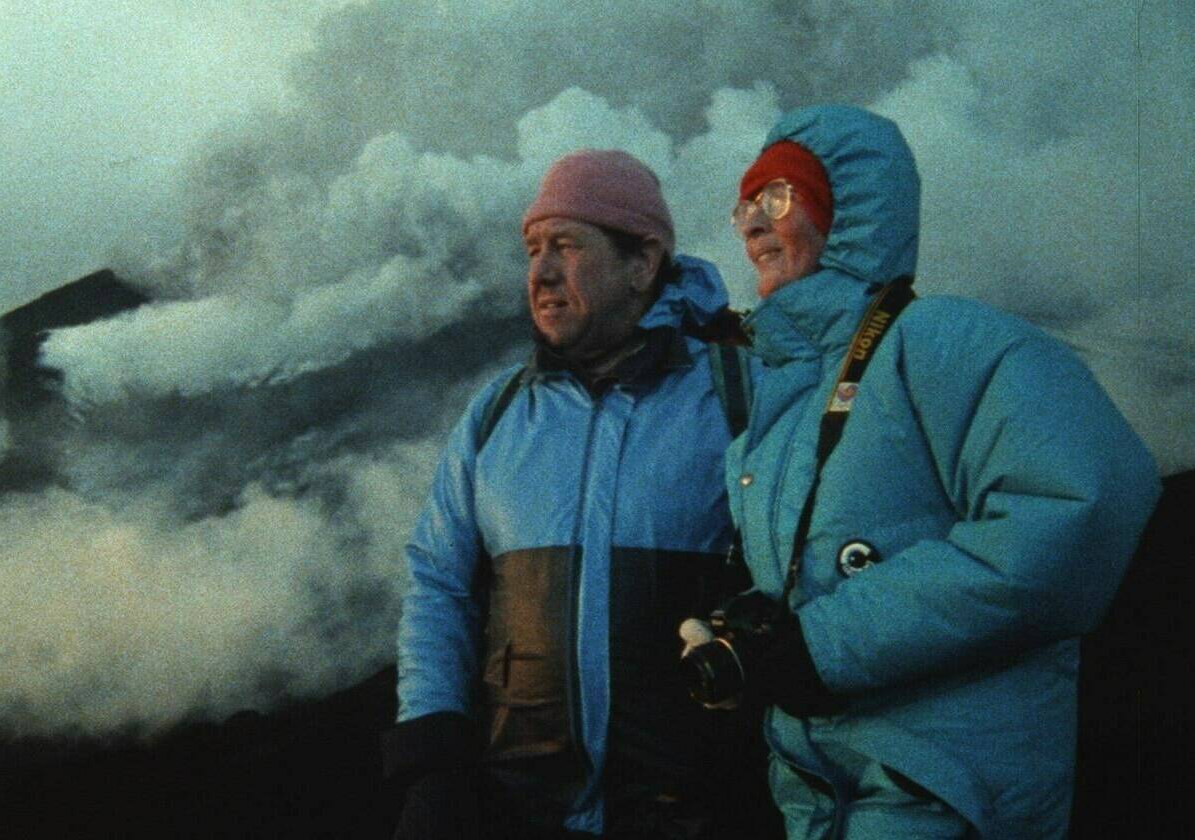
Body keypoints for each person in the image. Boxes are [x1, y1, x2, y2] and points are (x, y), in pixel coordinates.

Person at [679, 105, 1160, 838]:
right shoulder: (777, 417)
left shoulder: (942, 342)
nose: (749, 224)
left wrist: (824, 644)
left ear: (849, 213)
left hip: (948, 794)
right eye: (744, 205)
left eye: (776, 198)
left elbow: (1083, 502)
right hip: (821, 801)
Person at [383, 149, 769, 838]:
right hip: (520, 812)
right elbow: (439, 583)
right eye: (533, 249)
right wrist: (433, 756)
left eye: (566, 245)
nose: (541, 272)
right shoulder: (495, 413)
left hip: (696, 815)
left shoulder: (740, 397)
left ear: (641, 263)